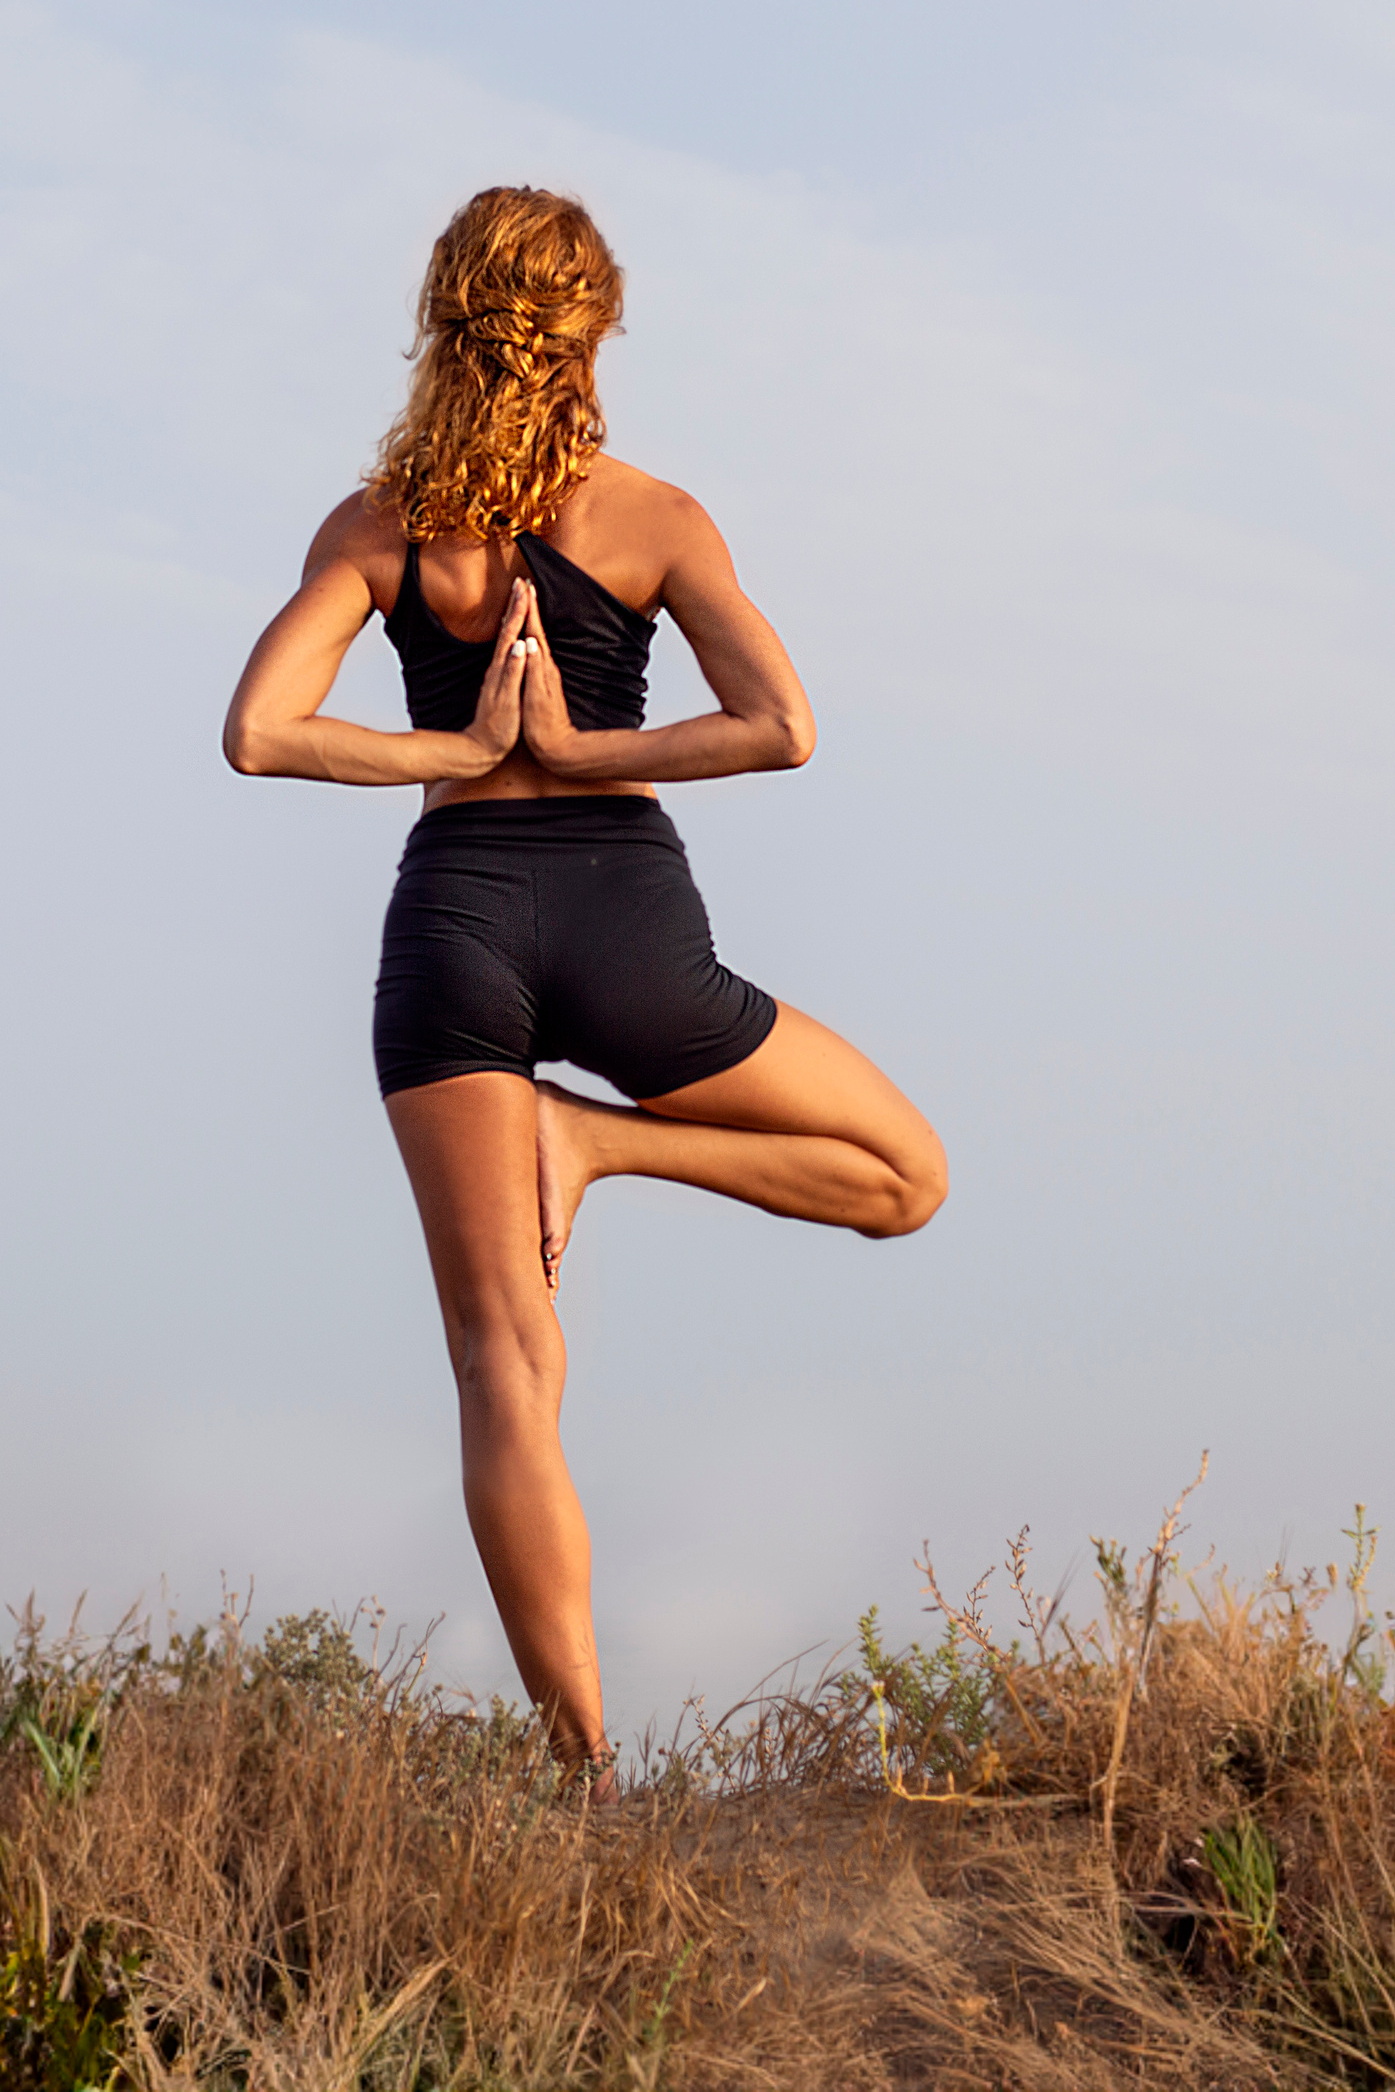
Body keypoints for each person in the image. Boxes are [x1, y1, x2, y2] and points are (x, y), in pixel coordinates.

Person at [223, 186, 947, 1792]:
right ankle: (602, 1142)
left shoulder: (380, 528)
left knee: (502, 1369)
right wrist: (588, 750)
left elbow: (261, 731)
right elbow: (782, 724)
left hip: (456, 928)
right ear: (595, 330)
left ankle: (582, 1775)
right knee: (906, 1179)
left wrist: (457, 754)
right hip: (627, 919)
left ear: (442, 325)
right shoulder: (658, 516)